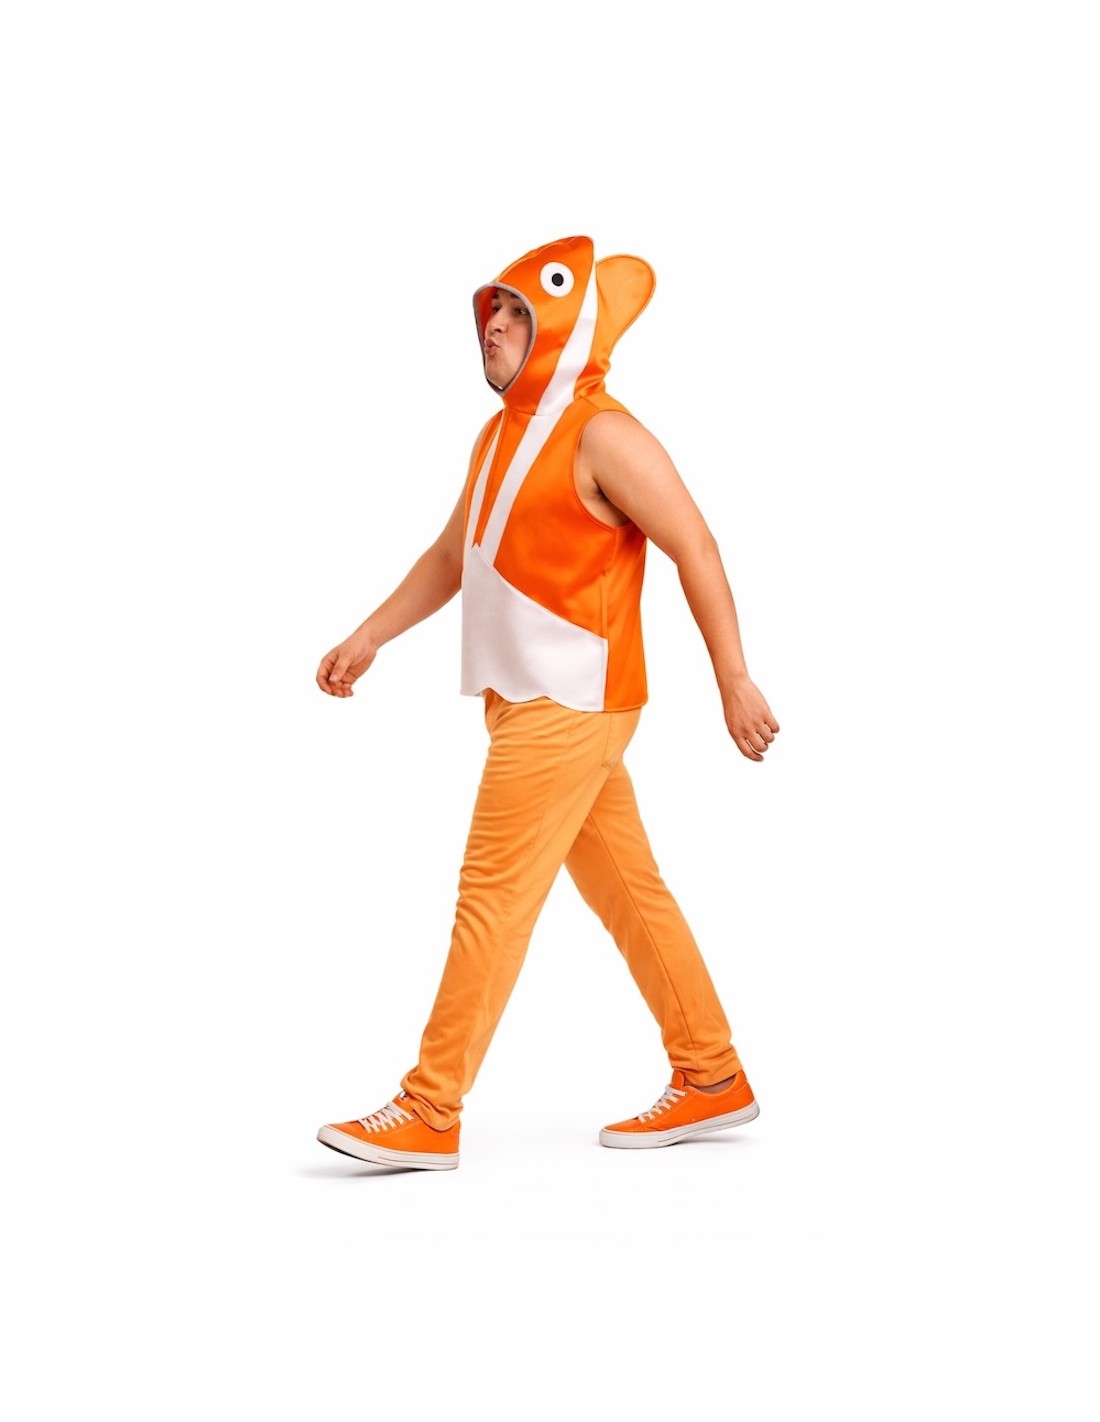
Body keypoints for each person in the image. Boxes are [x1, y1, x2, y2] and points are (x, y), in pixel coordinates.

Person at [315, 235, 779, 1171]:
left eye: (518, 311)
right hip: (523, 702)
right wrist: (370, 635)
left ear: (567, 327)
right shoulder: (498, 437)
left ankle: (430, 1106)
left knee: (490, 897)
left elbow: (695, 545)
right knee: (631, 891)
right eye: (490, 308)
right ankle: (712, 1072)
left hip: (571, 704)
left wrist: (733, 677)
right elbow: (453, 556)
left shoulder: (605, 433)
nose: (493, 323)